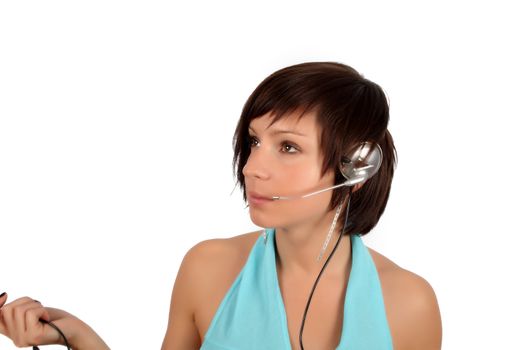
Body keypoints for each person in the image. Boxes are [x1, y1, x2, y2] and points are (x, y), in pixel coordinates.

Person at [0, 62, 442, 349]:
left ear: (355, 168)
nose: (252, 168)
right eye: (254, 141)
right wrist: (72, 333)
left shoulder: (408, 303)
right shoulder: (208, 268)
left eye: (287, 147)